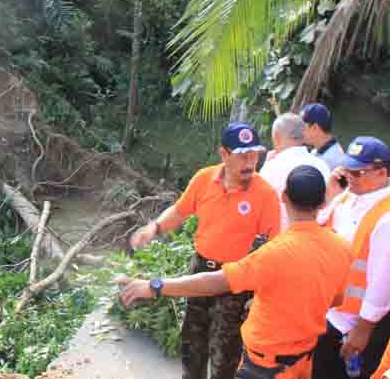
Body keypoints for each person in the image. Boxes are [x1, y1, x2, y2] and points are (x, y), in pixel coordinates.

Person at [120, 165, 352, 379]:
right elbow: (337, 299)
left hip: (265, 366)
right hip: (304, 361)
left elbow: (215, 282)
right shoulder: (342, 248)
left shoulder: (275, 254)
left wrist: (156, 286)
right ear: (323, 202)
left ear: (284, 197)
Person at [129, 122, 281, 379]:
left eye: (253, 154)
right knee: (192, 343)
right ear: (224, 154)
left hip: (235, 281)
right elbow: (179, 210)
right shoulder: (204, 179)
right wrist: (154, 228)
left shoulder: (265, 194)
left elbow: (274, 247)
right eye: (242, 155)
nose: (249, 162)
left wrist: (260, 294)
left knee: (225, 353)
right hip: (200, 267)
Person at [312, 137, 390, 379]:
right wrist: (331, 193)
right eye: (348, 170)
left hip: (354, 326)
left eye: (358, 172)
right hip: (329, 315)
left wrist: (363, 329)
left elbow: (382, 282)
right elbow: (315, 228)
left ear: (381, 173)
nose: (350, 176)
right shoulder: (348, 196)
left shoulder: (385, 216)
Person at [260, 113, 331, 232]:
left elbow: (259, 204)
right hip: (317, 236)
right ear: (303, 136)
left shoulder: (271, 168)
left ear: (276, 137)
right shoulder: (322, 165)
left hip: (281, 239)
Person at [302, 103, 345, 172]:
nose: (300, 131)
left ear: (315, 128)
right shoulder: (319, 151)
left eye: (302, 127)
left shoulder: (330, 160)